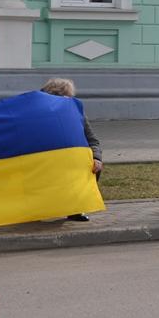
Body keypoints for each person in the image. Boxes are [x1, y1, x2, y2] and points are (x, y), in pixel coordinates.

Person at [40, 78, 104, 221]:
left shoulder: (77, 113)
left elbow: (92, 140)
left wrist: (96, 158)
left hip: (70, 161)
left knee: (93, 166)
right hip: (46, 161)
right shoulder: (37, 114)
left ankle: (75, 208)